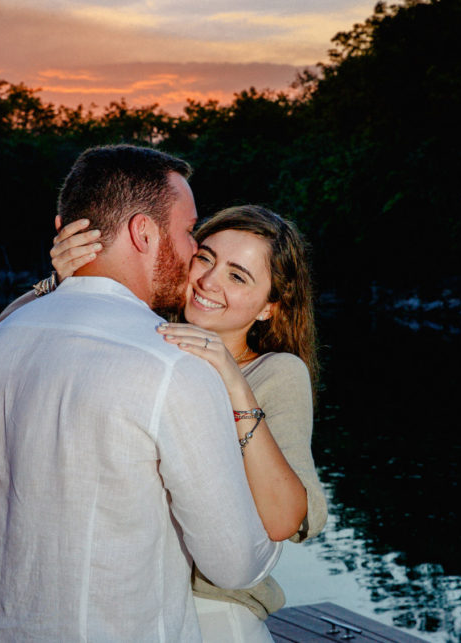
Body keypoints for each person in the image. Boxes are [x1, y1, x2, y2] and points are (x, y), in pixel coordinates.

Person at [0, 145, 280, 642]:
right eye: (188, 232)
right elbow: (236, 565)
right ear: (144, 232)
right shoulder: (173, 366)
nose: (191, 253)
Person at [34, 204, 327, 642]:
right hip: (119, 607)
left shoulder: (276, 373)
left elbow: (286, 518)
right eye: (205, 257)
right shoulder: (140, 340)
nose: (209, 281)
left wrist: (233, 383)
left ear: (269, 308)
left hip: (212, 612)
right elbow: (2, 368)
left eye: (238, 276)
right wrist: (64, 288)